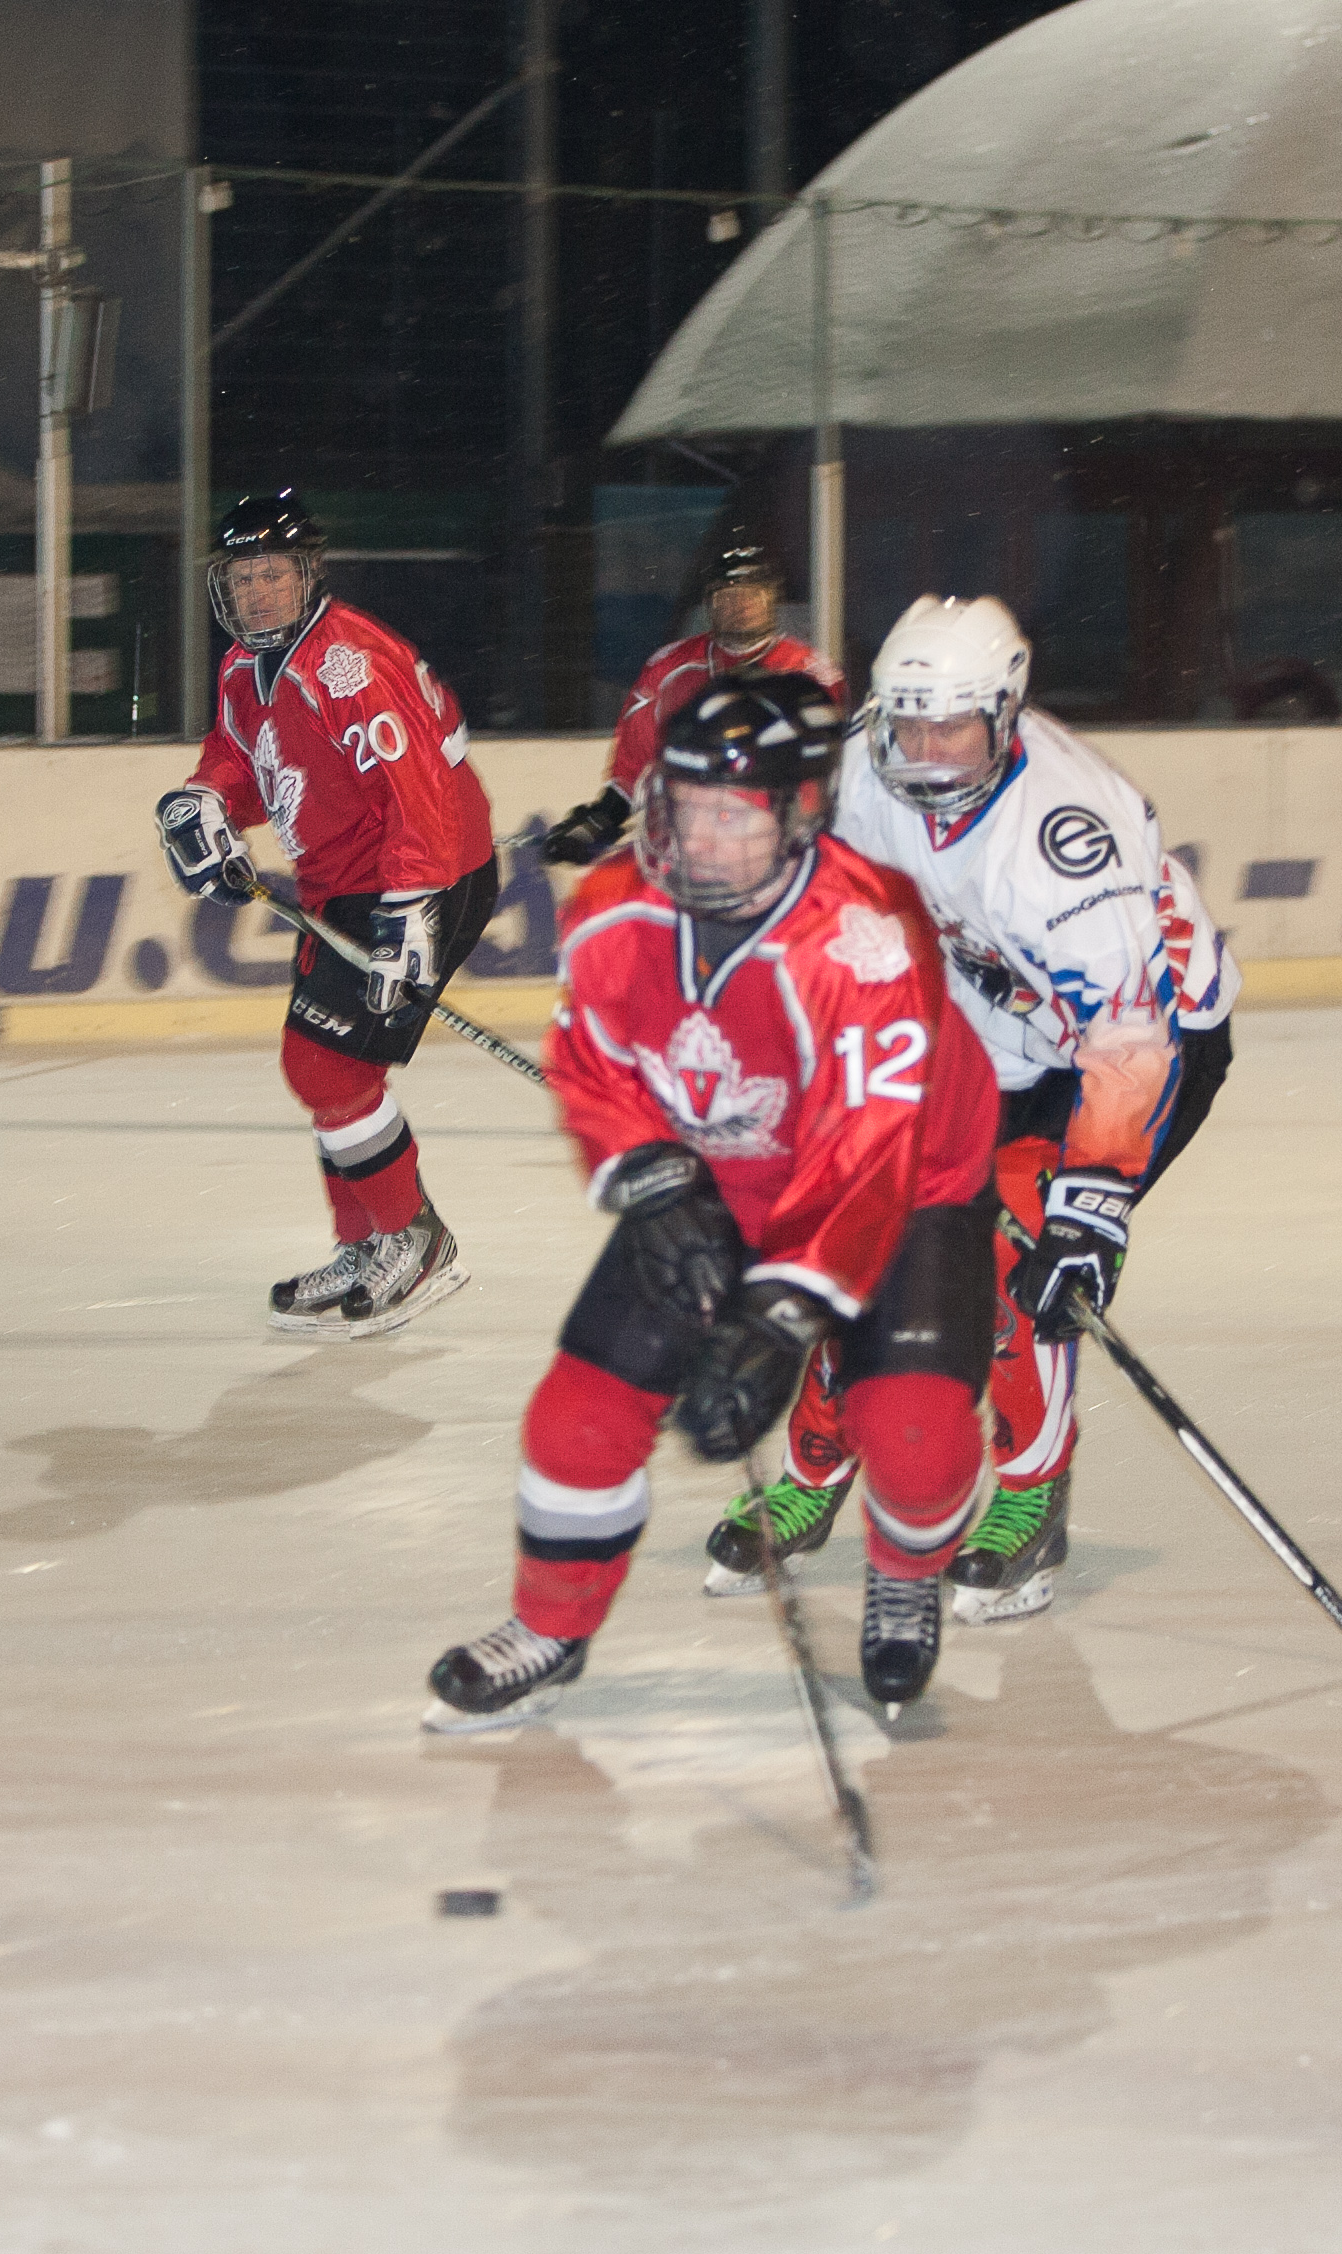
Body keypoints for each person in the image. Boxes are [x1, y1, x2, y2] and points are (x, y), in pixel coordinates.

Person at [423, 674, 1001, 1724]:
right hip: (726, 1173)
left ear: (799, 814)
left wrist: (776, 1317)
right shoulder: (613, 906)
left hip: (910, 1185)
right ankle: (550, 1627)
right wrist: (653, 1182)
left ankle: (906, 1572)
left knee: (915, 1436)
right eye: (686, 808)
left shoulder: (864, 935)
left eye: (733, 817)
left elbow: (866, 1153)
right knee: (577, 1421)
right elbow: (595, 1064)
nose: (699, 841)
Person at [726, 595, 1239, 1627]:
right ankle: (818, 1464)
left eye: (951, 727)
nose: (924, 751)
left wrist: (1090, 1212)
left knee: (1017, 1262)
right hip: (979, 1033)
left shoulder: (1062, 841)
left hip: (1130, 1049)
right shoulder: (862, 772)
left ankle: (1030, 1495)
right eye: (907, 724)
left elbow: (1127, 1038)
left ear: (1003, 715)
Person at [154, 489, 497, 1337]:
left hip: (421, 877)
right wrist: (208, 800)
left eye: (272, 573)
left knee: (327, 1069)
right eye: (242, 576)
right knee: (324, 1070)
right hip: (343, 883)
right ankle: (368, 1239)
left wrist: (410, 911)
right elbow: (244, 756)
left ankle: (416, 1240)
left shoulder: (347, 665)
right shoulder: (244, 667)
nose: (258, 591)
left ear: (308, 574)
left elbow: (417, 793)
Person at [542, 543, 844, 867]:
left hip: (777, 849)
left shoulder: (811, 675)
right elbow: (634, 769)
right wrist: (601, 820)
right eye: (728, 596)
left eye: (753, 594)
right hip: (686, 850)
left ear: (772, 600)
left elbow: (833, 775)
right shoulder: (668, 669)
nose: (741, 604)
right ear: (709, 604)